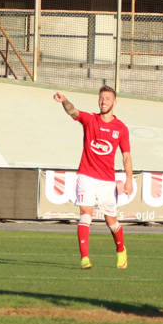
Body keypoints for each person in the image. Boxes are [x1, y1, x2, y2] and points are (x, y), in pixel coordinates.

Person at [53, 86, 133, 269]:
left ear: (114, 102)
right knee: (85, 216)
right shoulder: (90, 120)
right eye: (101, 98)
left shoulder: (121, 128)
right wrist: (64, 101)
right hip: (86, 175)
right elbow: (73, 112)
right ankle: (85, 258)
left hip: (107, 181)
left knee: (111, 221)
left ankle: (121, 250)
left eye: (107, 98)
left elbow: (126, 156)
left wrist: (129, 179)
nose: (103, 101)